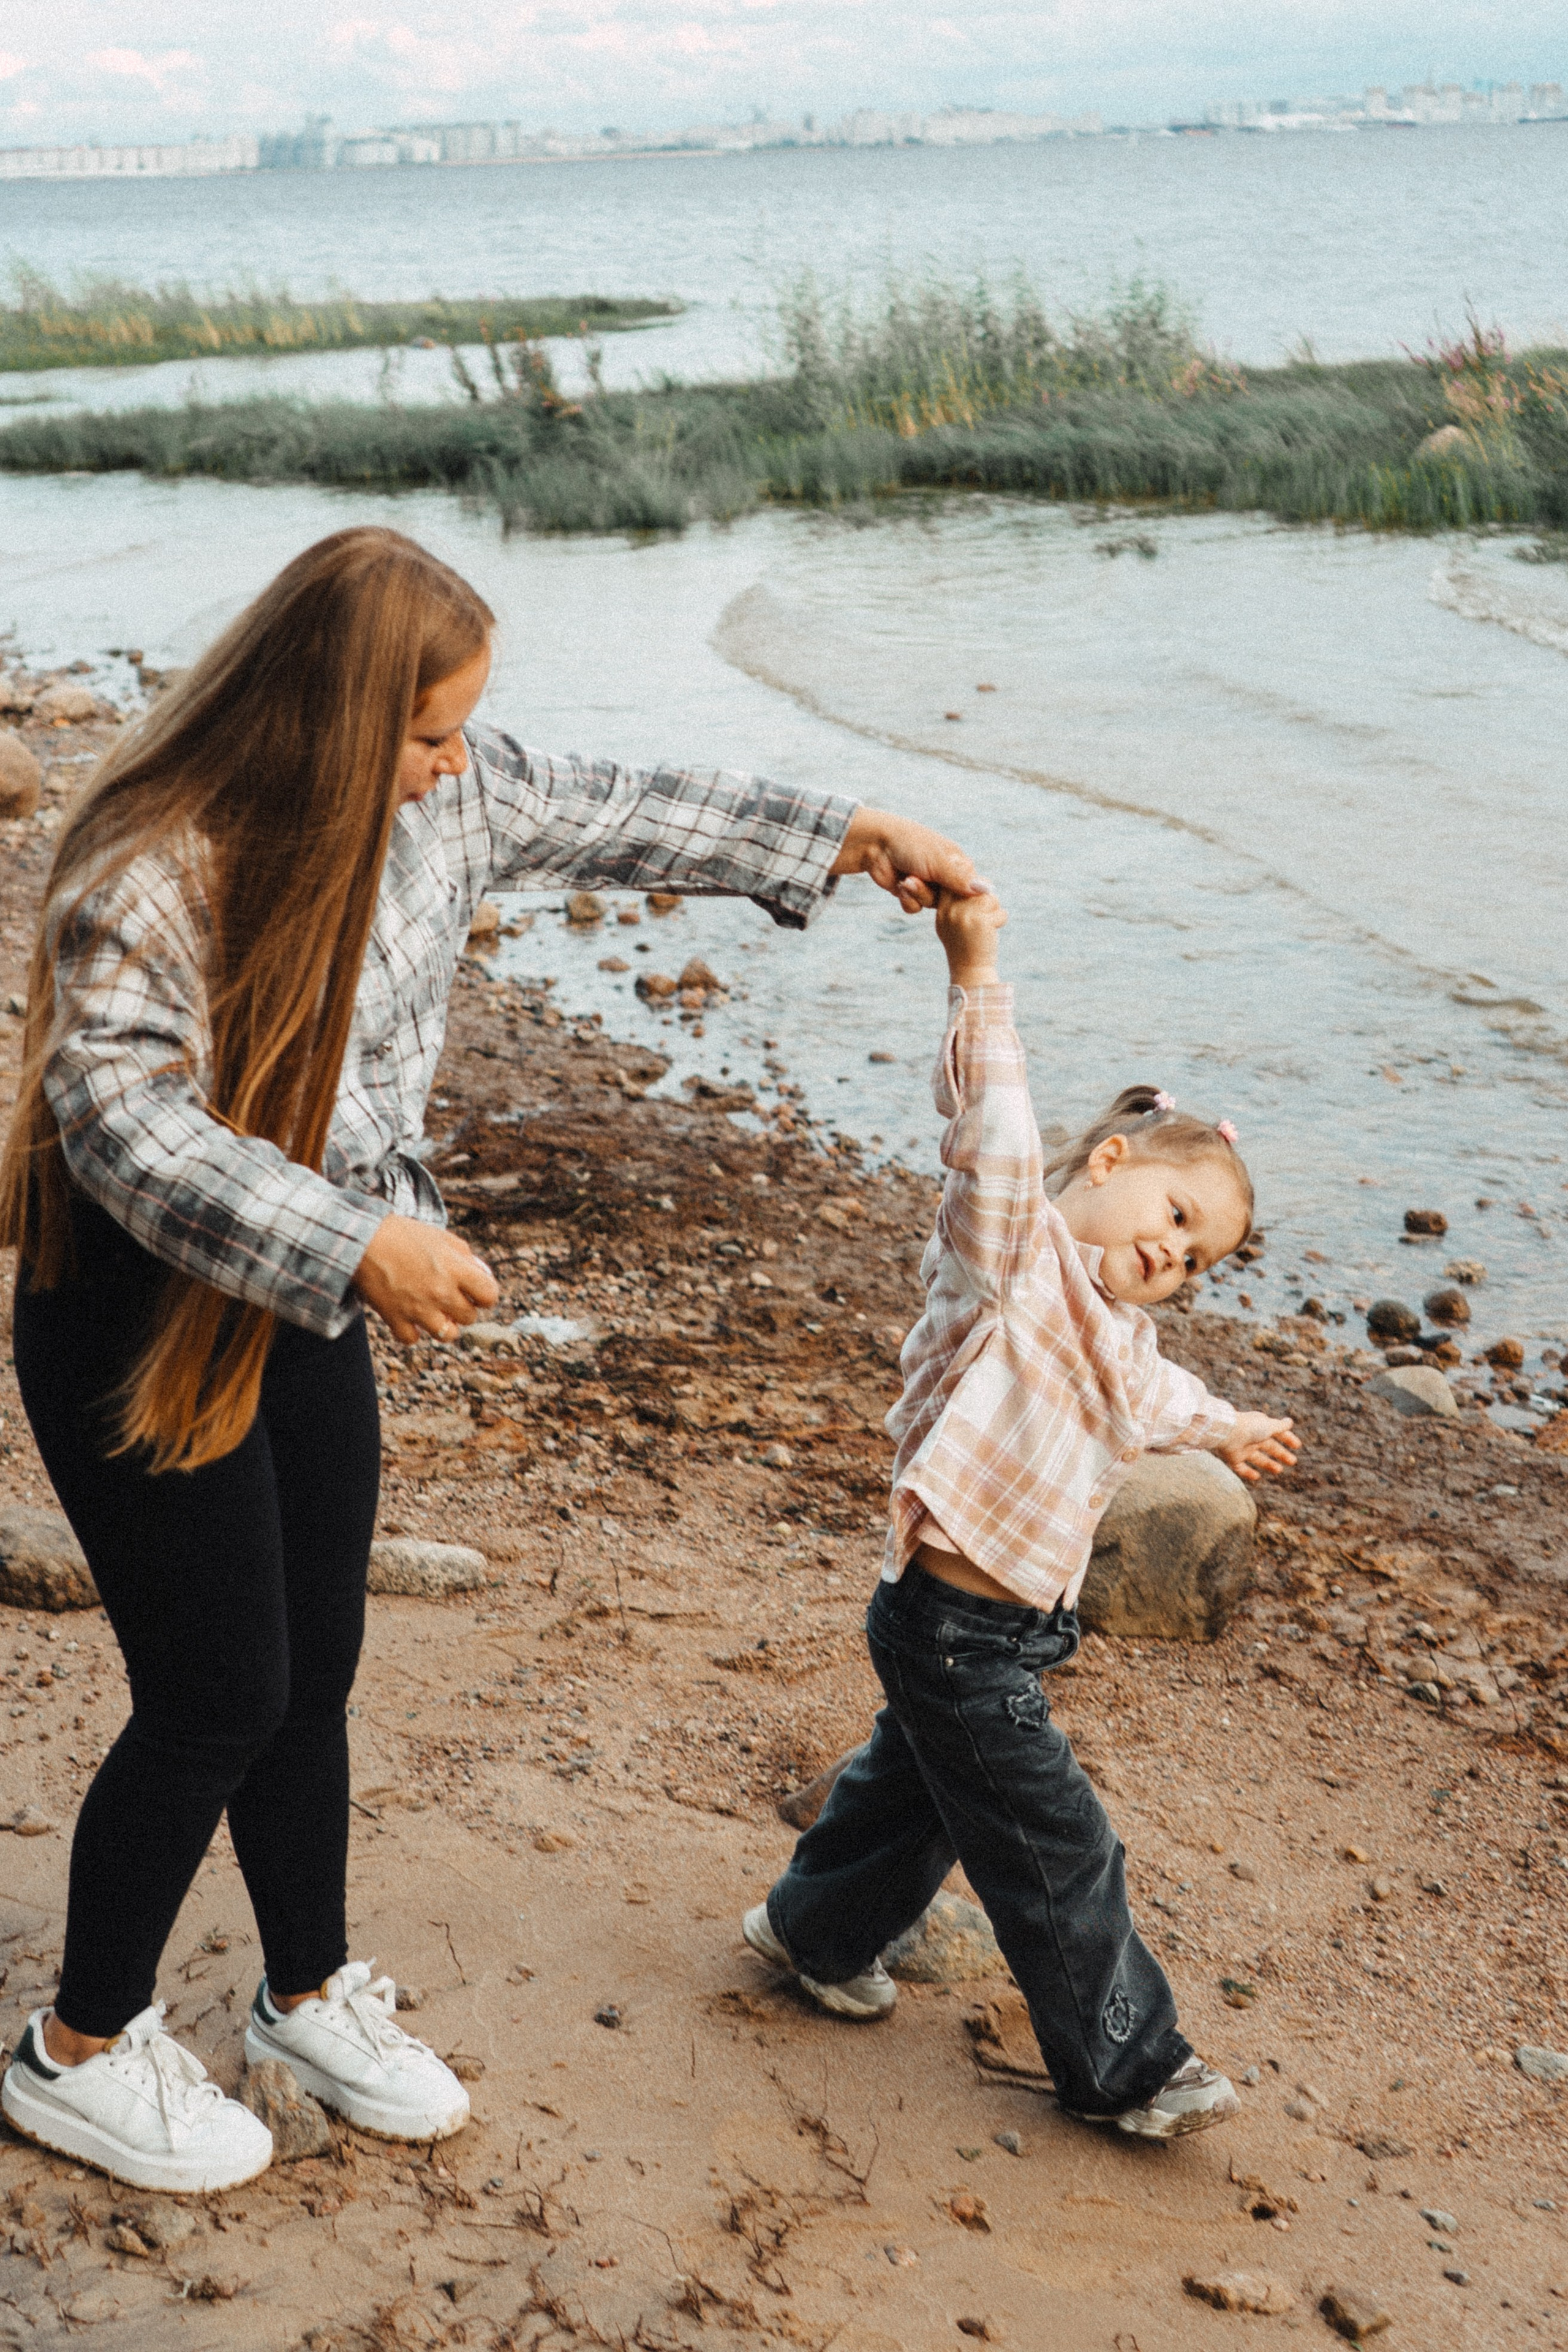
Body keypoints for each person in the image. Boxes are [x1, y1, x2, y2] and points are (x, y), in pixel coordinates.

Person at [0, 525, 979, 2195]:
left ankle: (306, 1995)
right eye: (429, 732)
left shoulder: (441, 806)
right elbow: (118, 1119)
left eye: (460, 732)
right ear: (331, 720)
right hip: (138, 1314)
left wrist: (843, 835)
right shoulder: (152, 864)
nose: (455, 764)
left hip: (301, 1302)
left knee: (315, 1666)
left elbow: (618, 806)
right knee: (217, 1693)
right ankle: (77, 2052)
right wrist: (358, 1243)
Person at [742, 882, 1301, 2141]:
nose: (1175, 1255)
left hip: (997, 1631)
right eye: (1174, 1217)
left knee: (917, 1798)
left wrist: (1228, 1427)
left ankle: (810, 1933)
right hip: (952, 1627)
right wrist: (976, 973)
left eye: (1198, 1258)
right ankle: (1128, 2070)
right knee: (1057, 1843)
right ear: (1109, 1163)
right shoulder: (1010, 1257)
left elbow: (1156, 1394)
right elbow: (992, 1128)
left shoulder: (1119, 1331)